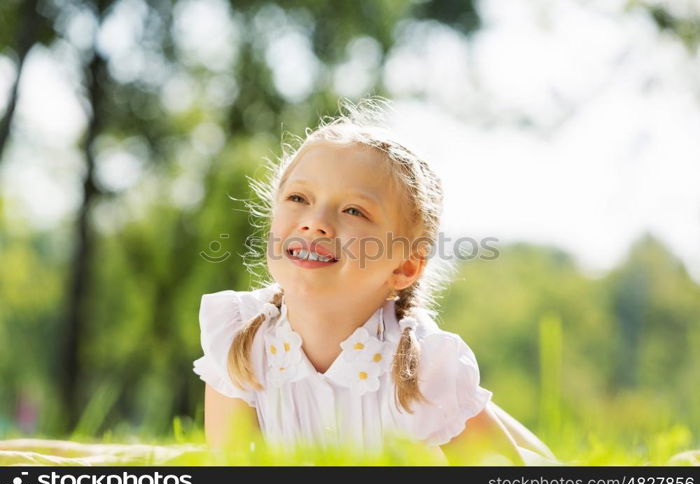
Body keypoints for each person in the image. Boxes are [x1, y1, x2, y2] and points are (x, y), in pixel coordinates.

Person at [193, 98, 558, 465]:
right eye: (298, 197)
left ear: (405, 268)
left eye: (354, 210)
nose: (314, 221)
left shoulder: (422, 372)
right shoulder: (240, 340)